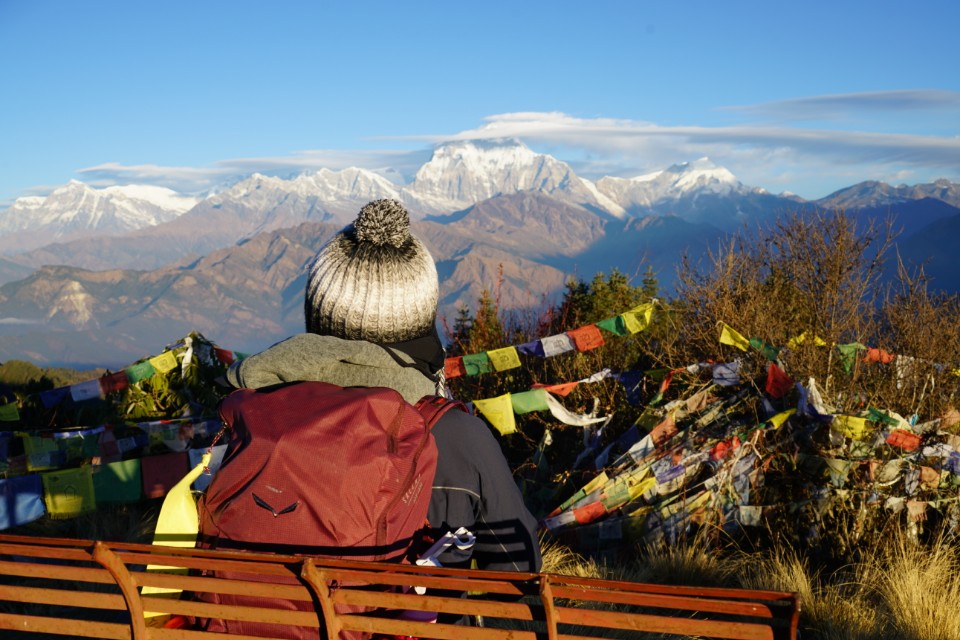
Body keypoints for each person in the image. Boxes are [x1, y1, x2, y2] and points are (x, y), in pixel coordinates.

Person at [224, 198, 542, 576]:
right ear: (421, 319)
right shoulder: (454, 437)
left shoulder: (254, 413)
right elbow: (518, 570)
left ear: (316, 312)